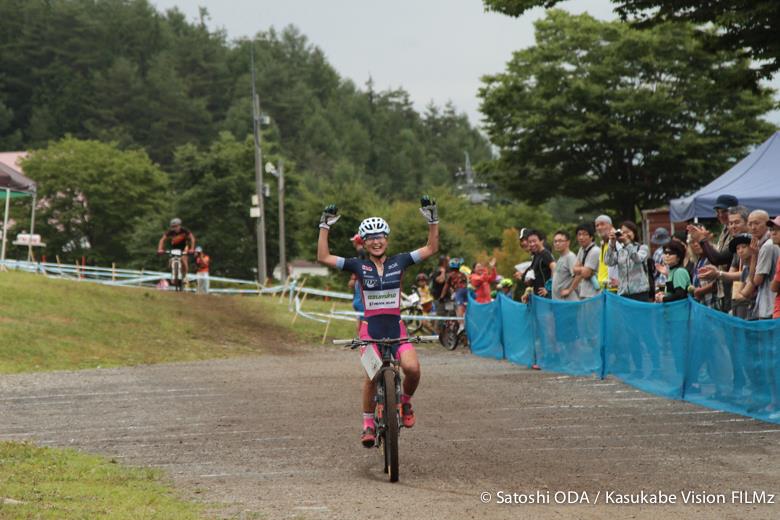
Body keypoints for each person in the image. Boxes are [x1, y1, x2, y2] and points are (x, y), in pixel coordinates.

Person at [316, 196, 439, 447]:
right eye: (370, 238)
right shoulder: (357, 266)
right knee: (371, 376)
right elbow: (324, 257)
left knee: (413, 369)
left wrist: (432, 220)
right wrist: (324, 226)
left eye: (380, 236)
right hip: (370, 330)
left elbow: (430, 248)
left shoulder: (400, 261)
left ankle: (404, 403)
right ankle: (368, 424)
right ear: (364, 242)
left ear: (387, 239)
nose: (376, 241)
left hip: (396, 328)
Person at [605, 221, 650, 301]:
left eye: (628, 231)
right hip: (623, 294)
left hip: (640, 293)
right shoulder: (620, 251)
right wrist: (611, 244)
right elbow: (608, 262)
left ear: (634, 233)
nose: (625, 234)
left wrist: (627, 243)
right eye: (623, 232)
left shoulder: (642, 248)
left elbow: (637, 259)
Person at [746, 210, 779, 320]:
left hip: (769, 306)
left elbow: (756, 281)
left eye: (757, 223)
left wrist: (754, 256)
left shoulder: (767, 246)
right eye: (750, 224)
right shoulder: (765, 244)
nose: (753, 227)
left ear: (766, 223)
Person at [521, 229, 555, 301]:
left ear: (541, 241)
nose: (532, 244)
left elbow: (554, 267)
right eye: (530, 242)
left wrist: (549, 288)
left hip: (546, 297)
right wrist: (529, 282)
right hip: (538, 296)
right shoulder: (536, 255)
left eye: (534, 241)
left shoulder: (544, 253)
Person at [654, 239, 691, 303]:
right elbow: (671, 291)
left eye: (671, 253)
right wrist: (661, 293)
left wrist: (663, 299)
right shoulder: (671, 271)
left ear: (678, 257)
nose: (667, 255)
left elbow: (680, 295)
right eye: (665, 253)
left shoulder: (680, 271)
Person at [572, 222, 601, 300]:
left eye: (585, 234)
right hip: (584, 292)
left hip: (594, 294)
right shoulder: (582, 249)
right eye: (579, 234)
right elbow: (574, 269)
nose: (581, 237)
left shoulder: (595, 251)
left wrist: (580, 269)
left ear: (591, 237)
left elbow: (586, 274)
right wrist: (582, 269)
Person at [348, 234, 367, 334]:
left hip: (361, 281)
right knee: (358, 306)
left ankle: (363, 331)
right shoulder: (362, 252)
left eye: (354, 241)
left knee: (358, 304)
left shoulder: (361, 252)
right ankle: (361, 333)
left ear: (357, 242)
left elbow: (359, 267)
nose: (352, 242)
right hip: (361, 281)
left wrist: (353, 278)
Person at [594, 215, 619, 291]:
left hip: (615, 290)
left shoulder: (617, 242)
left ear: (611, 226)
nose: (599, 228)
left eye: (602, 224)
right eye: (597, 225)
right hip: (604, 290)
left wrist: (621, 282)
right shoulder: (602, 244)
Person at [551, 230, 578, 301]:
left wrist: (569, 290)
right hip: (559, 302)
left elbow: (578, 276)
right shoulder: (561, 257)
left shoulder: (570, 257)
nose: (557, 243)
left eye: (560, 241)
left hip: (568, 302)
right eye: (555, 241)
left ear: (568, 242)